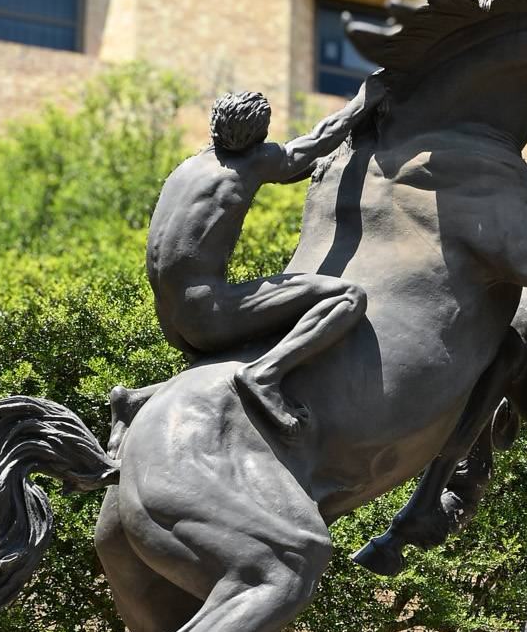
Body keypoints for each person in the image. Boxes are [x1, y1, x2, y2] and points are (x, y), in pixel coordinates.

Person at [120, 83, 380, 444]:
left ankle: (135, 400)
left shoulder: (190, 166)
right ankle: (265, 376)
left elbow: (292, 167)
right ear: (260, 136)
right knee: (347, 297)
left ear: (215, 125)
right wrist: (367, 98)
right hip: (208, 316)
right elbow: (317, 141)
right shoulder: (253, 162)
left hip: (171, 320)